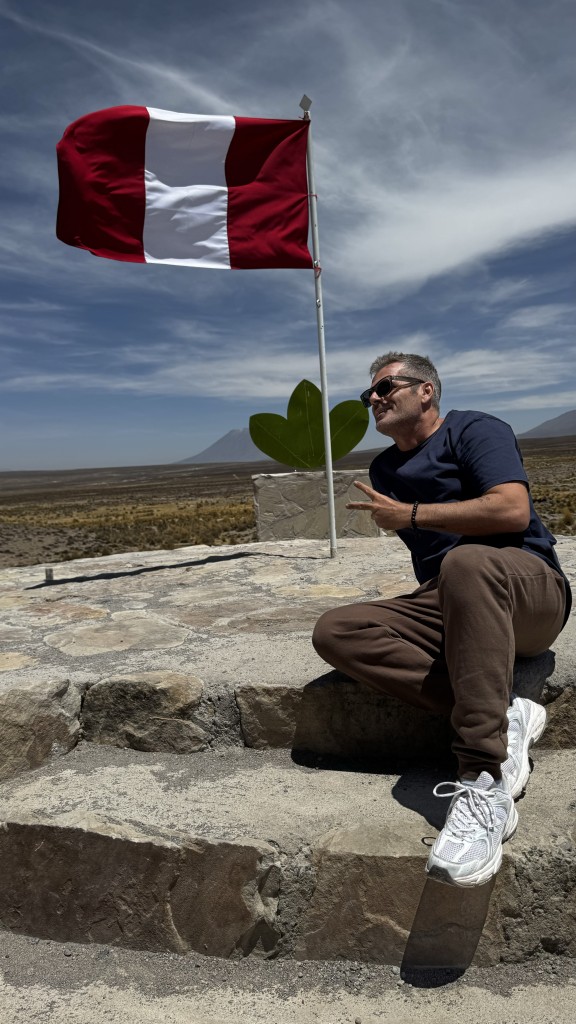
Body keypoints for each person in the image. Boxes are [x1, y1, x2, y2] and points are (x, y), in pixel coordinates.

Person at [312, 352, 571, 888]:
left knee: (466, 562)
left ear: (426, 390)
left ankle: (483, 778)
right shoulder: (385, 470)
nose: (373, 399)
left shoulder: (474, 429)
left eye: (385, 387)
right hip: (453, 596)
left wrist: (408, 515)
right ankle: (504, 712)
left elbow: (511, 510)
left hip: (528, 591)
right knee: (337, 630)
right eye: (368, 394)